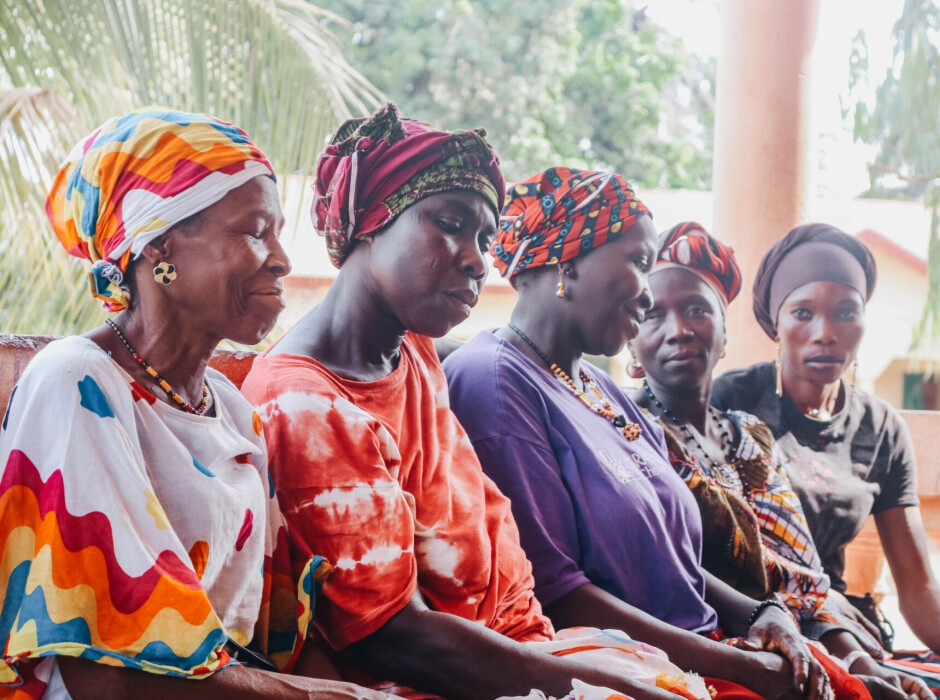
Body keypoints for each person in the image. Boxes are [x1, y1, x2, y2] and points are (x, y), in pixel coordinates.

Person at [239, 104, 706, 700]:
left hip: (527, 650)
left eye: (485, 237)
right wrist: (590, 683)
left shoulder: (413, 351)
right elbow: (391, 636)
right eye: (449, 222)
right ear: (371, 221)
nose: (476, 259)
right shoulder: (305, 402)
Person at [0, 109, 389, 700]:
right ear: (159, 246)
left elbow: (277, 637)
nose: (282, 258)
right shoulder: (79, 383)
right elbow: (105, 679)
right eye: (255, 230)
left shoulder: (232, 410)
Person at [444, 168, 867, 700]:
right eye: (640, 264)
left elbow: (677, 567)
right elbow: (558, 595)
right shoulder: (497, 383)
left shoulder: (598, 386)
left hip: (703, 651)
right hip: (626, 674)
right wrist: (743, 670)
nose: (646, 297)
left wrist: (763, 613)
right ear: (569, 259)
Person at [711, 223, 940, 700]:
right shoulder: (732, 402)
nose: (825, 333)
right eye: (803, 312)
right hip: (764, 627)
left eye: (846, 312)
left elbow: (919, 588)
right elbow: (719, 551)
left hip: (847, 626)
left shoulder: (880, 428)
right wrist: (837, 636)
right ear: (775, 322)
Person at [628, 222, 937, 700]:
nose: (681, 330)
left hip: (803, 637)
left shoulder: (746, 435)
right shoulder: (624, 429)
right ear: (631, 337)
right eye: (654, 313)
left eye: (696, 310)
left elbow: (801, 580)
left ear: (725, 334)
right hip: (696, 644)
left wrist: (853, 660)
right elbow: (654, 565)